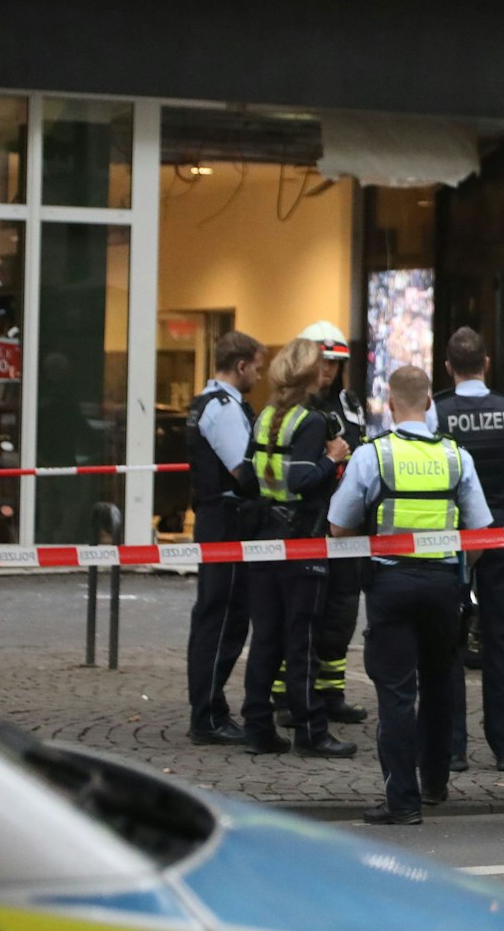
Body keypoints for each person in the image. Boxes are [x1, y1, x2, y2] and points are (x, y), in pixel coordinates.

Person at [329, 367, 493, 826]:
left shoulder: (373, 456)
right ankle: (436, 782)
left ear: (390, 402)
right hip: (443, 586)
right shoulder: (456, 456)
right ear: (429, 401)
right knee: (441, 684)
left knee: (397, 693)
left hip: (391, 584)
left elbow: (339, 525)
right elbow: (480, 532)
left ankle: (402, 802)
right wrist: (459, 572)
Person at [428, 326, 504, 774]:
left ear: (448, 367)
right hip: (499, 534)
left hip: (450, 539)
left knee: (448, 644)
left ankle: (451, 748)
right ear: (487, 363)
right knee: (499, 640)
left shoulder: (435, 410)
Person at [239, 339, 357, 758]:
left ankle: (257, 728)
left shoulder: (265, 416)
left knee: (266, 639)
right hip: (301, 541)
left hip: (263, 540)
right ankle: (311, 731)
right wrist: (335, 457)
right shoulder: (309, 421)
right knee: (301, 639)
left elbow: (247, 478)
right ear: (310, 375)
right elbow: (304, 480)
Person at [275, 319, 369, 727]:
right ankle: (286, 694)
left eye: (335, 362)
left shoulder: (349, 403)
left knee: (342, 611)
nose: (329, 369)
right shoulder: (295, 410)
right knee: (298, 613)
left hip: (346, 525)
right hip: (307, 524)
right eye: (323, 360)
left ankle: (331, 692)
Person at [185, 331, 263, 746]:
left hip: (217, 519)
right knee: (223, 618)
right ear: (241, 366)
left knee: (216, 616)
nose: (259, 373)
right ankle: (208, 714)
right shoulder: (224, 409)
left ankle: (209, 708)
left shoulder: (205, 403)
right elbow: (243, 472)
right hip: (227, 520)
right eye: (257, 366)